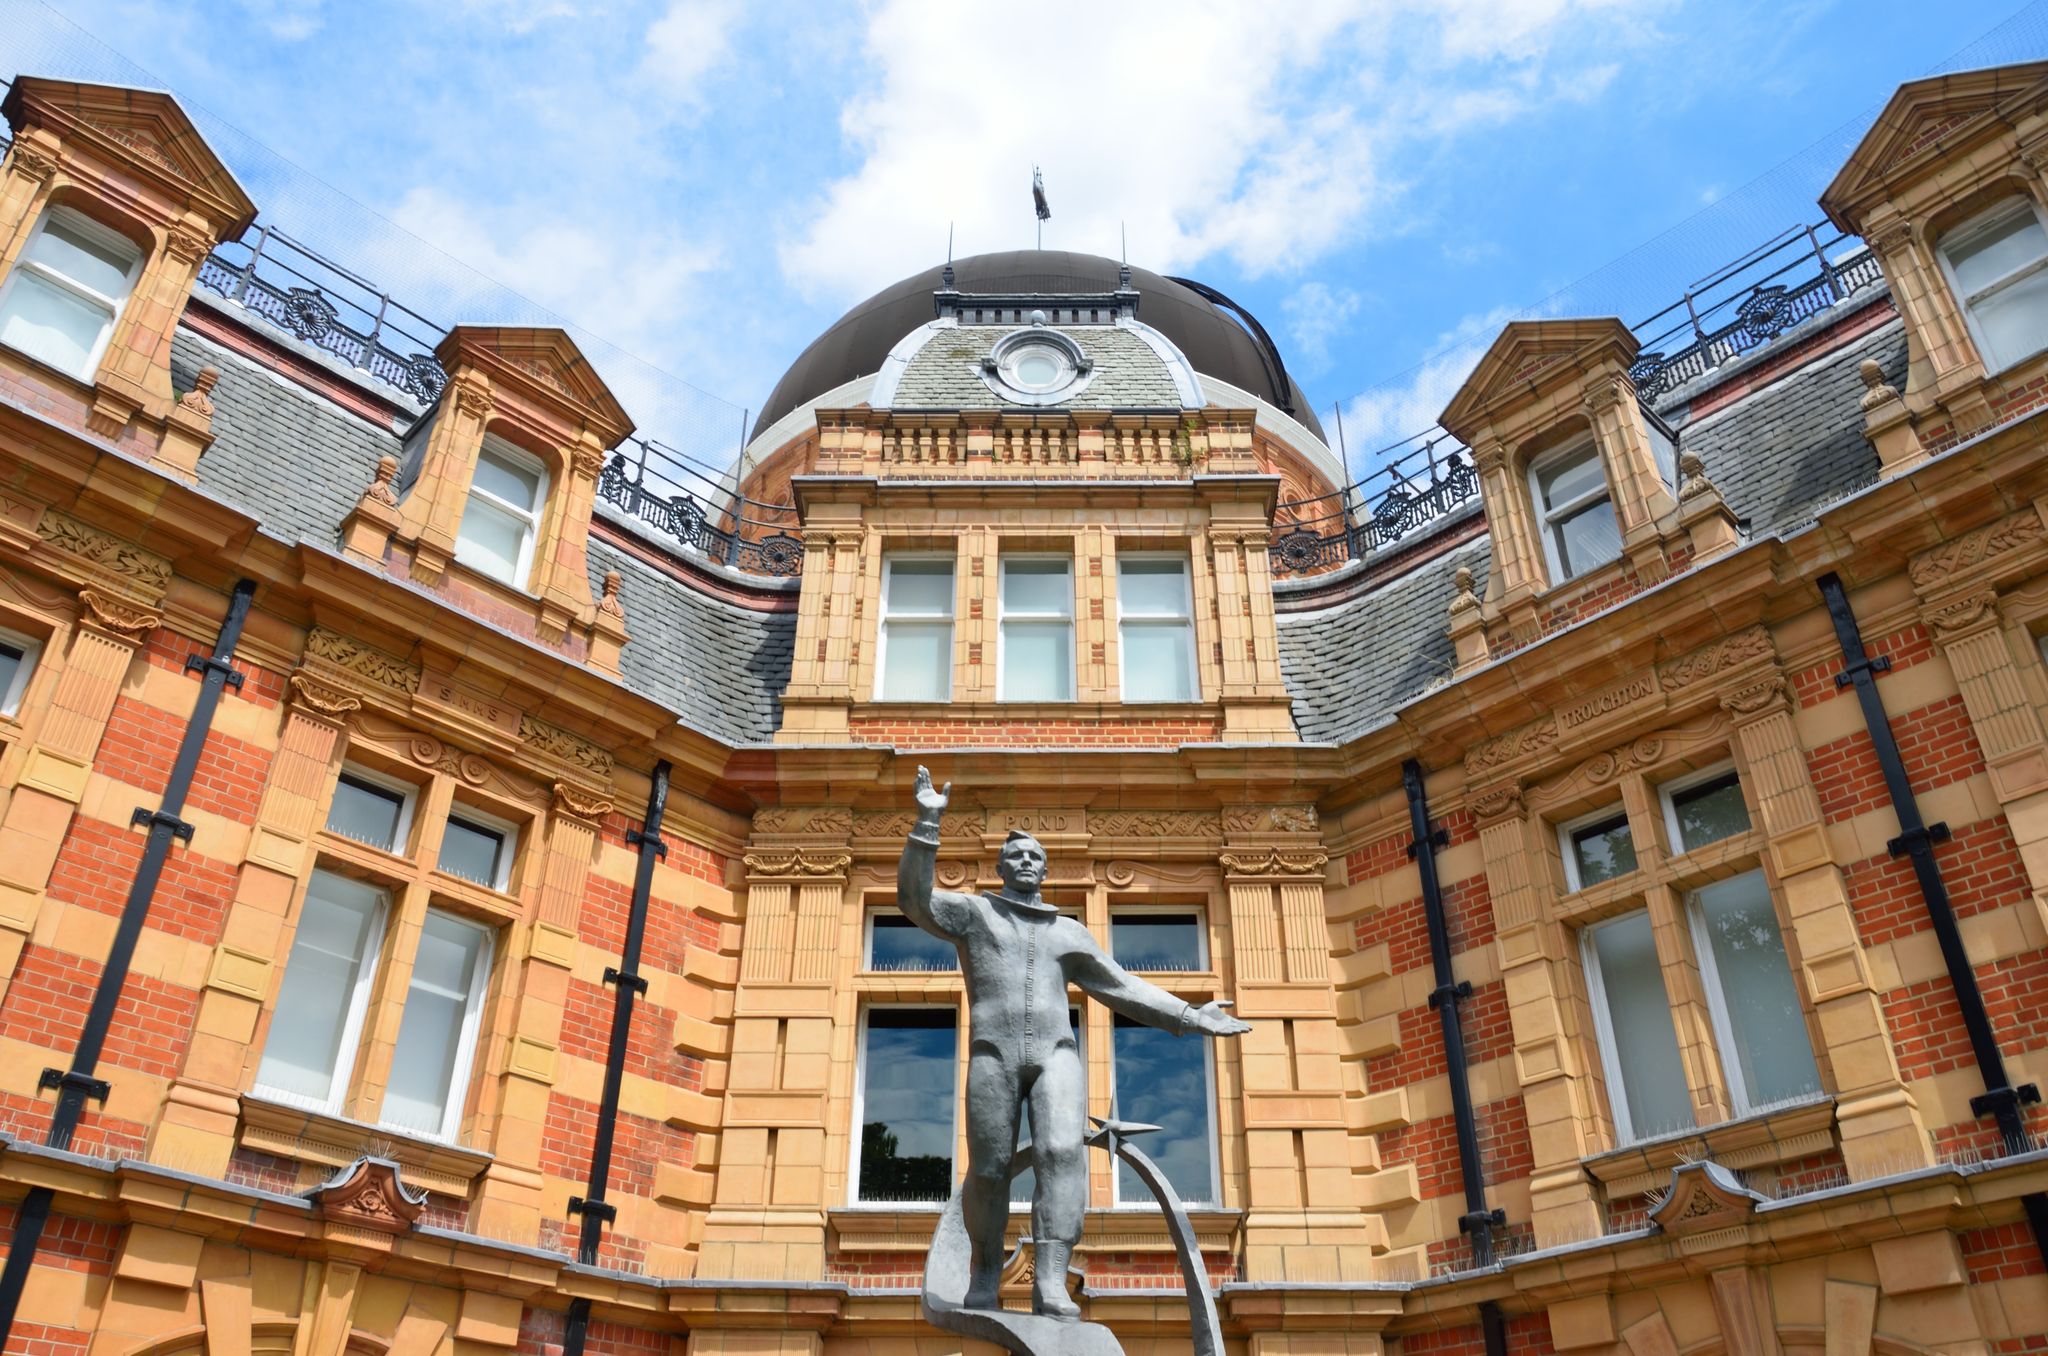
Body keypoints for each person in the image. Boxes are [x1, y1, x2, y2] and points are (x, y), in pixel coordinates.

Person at [896, 766, 1251, 1319]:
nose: (1026, 863)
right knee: (989, 1170)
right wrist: (926, 822)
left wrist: (1189, 1015)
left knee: (1061, 1155)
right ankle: (985, 1266)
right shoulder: (973, 913)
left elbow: (1122, 987)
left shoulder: (1068, 932)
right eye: (1016, 856)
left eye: (1036, 857)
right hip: (994, 1055)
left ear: (1045, 869)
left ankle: (1052, 1281)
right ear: (1000, 866)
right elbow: (915, 899)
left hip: (1056, 1056)